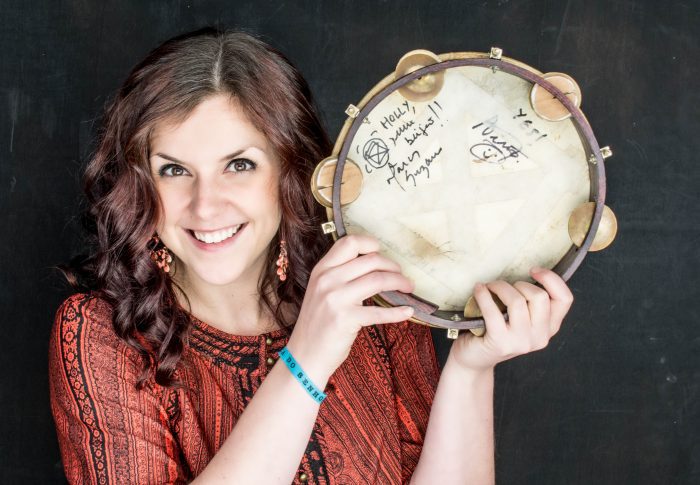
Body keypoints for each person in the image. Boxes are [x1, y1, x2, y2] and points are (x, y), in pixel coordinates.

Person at [49, 28, 573, 484]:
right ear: (140, 184)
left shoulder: (375, 300)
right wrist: (309, 358)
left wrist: (470, 367)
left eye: (239, 165)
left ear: (290, 171)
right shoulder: (101, 333)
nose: (205, 205)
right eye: (173, 170)